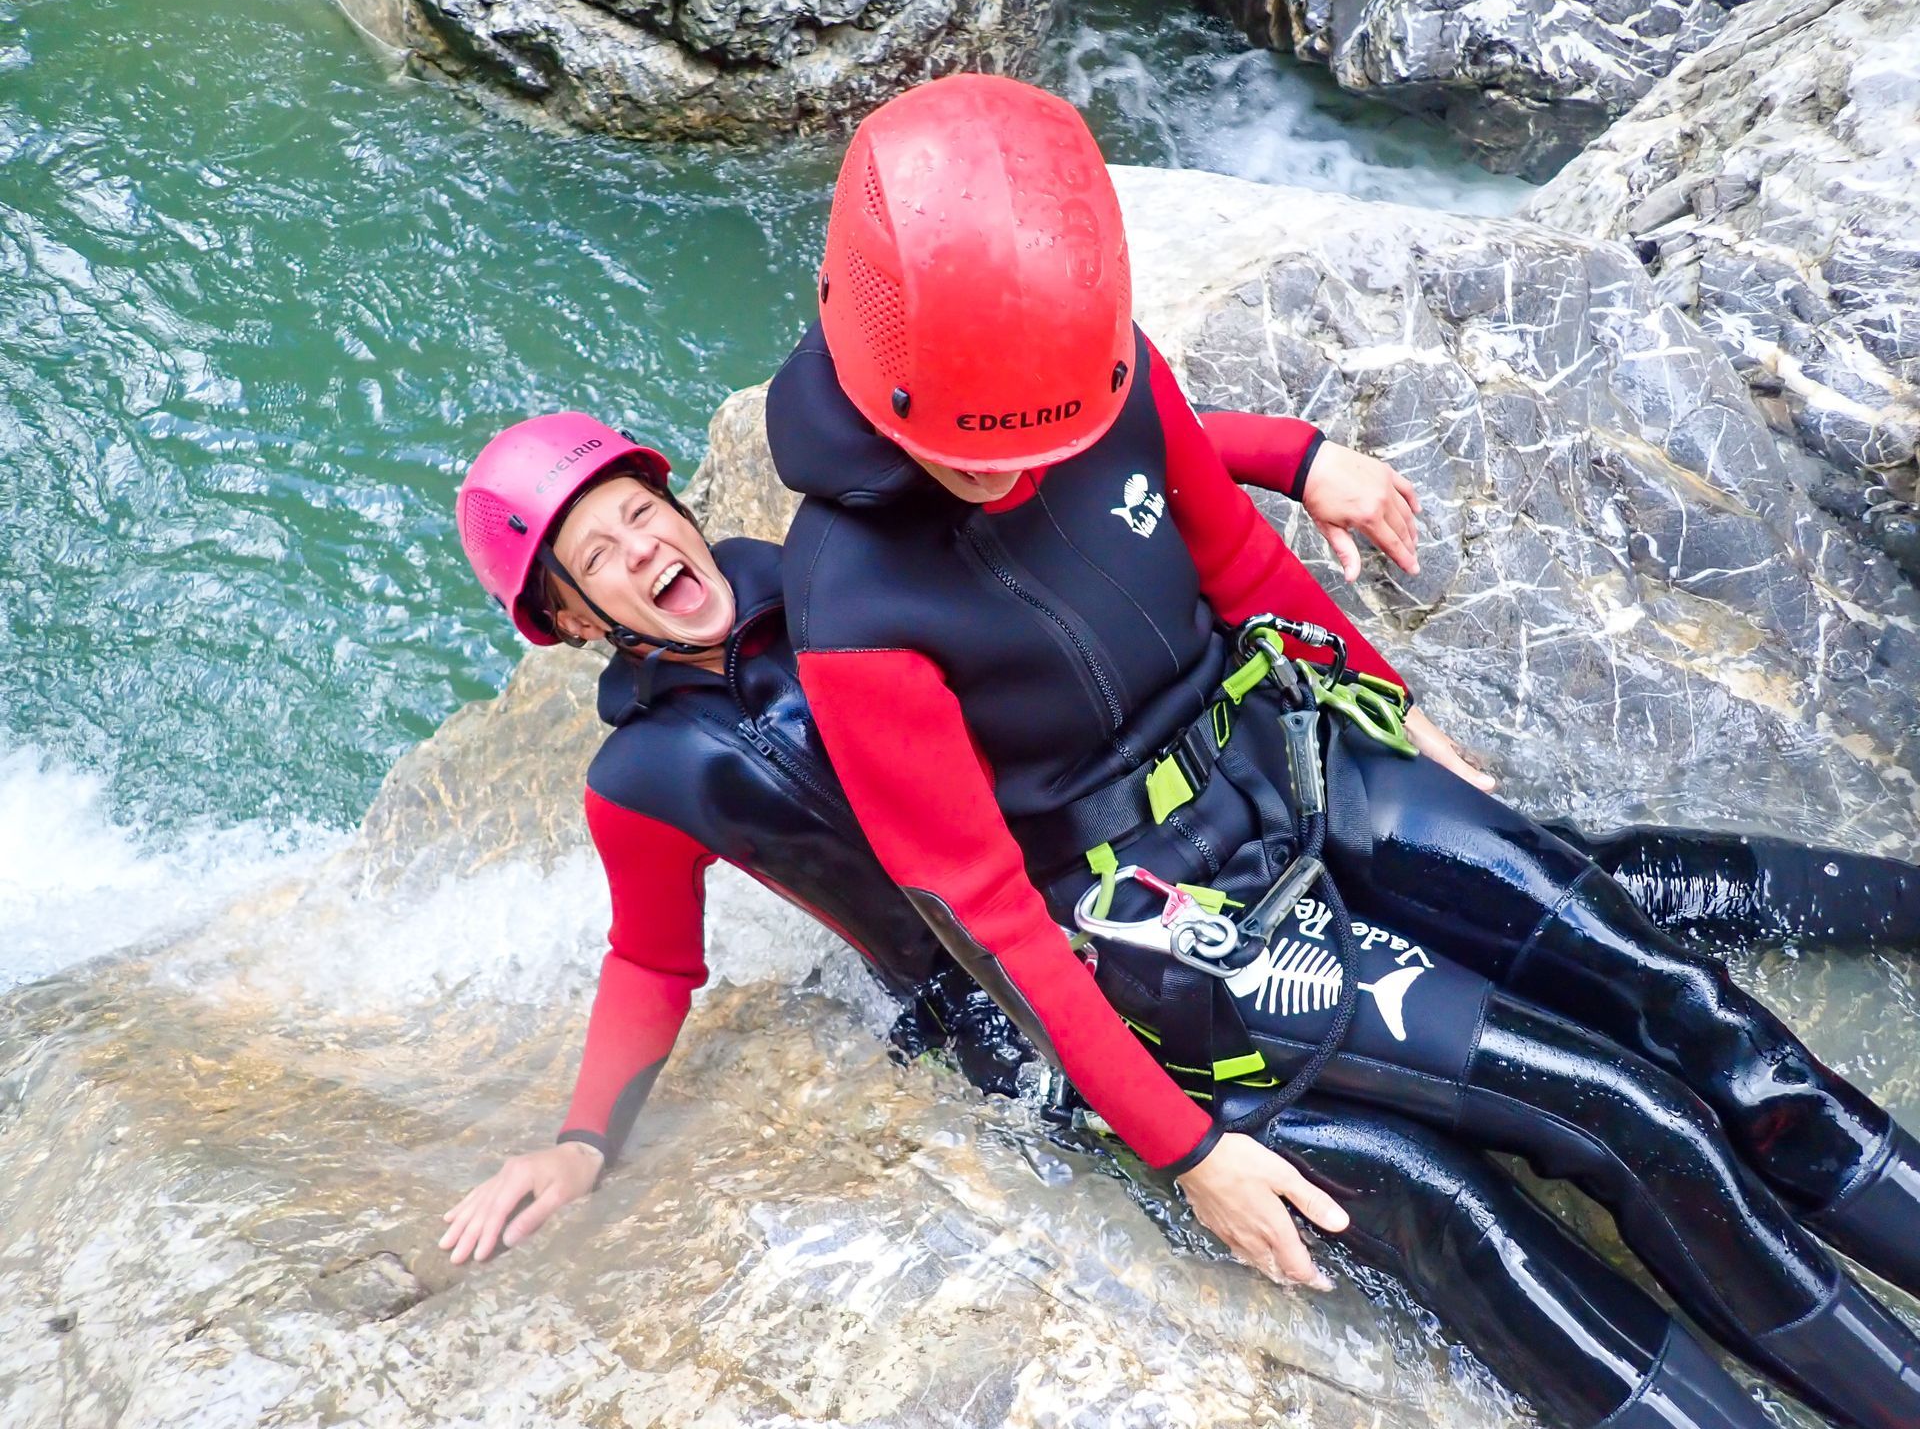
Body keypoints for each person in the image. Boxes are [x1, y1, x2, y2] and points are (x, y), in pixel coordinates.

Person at [767, 73, 1920, 1429]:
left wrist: (1385, 699)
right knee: (1621, 1113)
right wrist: (1190, 1148)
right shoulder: (851, 601)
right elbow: (989, 916)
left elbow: (1237, 553)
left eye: (1040, 448)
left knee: (1688, 1004)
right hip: (1160, 910)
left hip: (1292, 757)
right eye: (968, 462)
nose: (1013, 481)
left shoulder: (1103, 371)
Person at [439, 412, 1843, 1427]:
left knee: (1576, 899)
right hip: (1021, 993)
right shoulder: (645, 779)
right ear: (567, 622)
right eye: (595, 555)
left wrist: (1296, 460)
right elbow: (649, 957)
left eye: (636, 509)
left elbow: (1072, 448)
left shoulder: (839, 569)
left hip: (1158, 855)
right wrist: (579, 1141)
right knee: (1418, 1191)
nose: (640, 545)